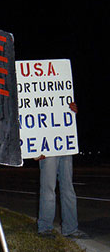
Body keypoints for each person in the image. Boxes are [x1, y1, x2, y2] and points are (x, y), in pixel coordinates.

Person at [37, 102, 88, 239]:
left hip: (64, 144)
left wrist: (72, 112)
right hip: (46, 147)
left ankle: (70, 228)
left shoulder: (62, 94)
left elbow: (67, 117)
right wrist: (35, 149)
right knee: (48, 188)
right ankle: (45, 227)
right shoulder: (39, 97)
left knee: (68, 188)